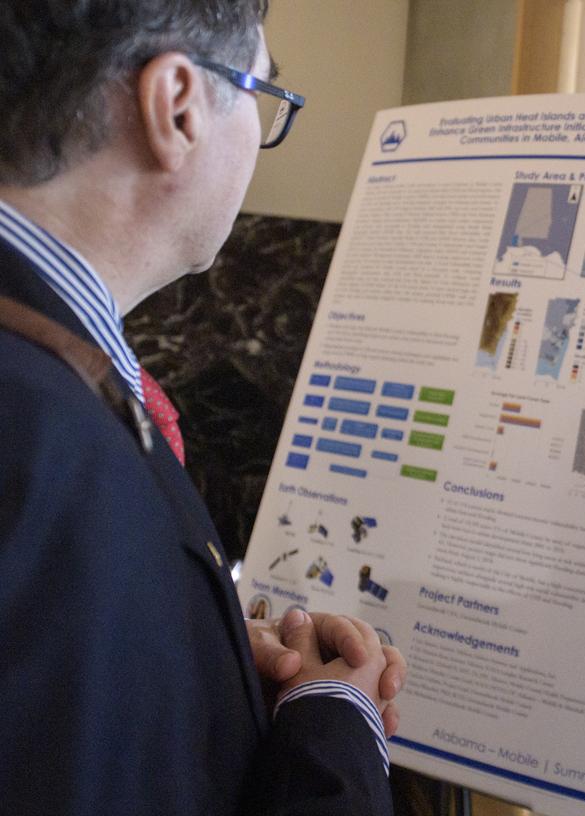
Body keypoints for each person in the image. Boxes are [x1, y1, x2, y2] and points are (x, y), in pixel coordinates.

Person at [0, 2, 404, 813]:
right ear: (176, 105)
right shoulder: (52, 446)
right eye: (260, 90)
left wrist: (192, 661)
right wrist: (336, 722)